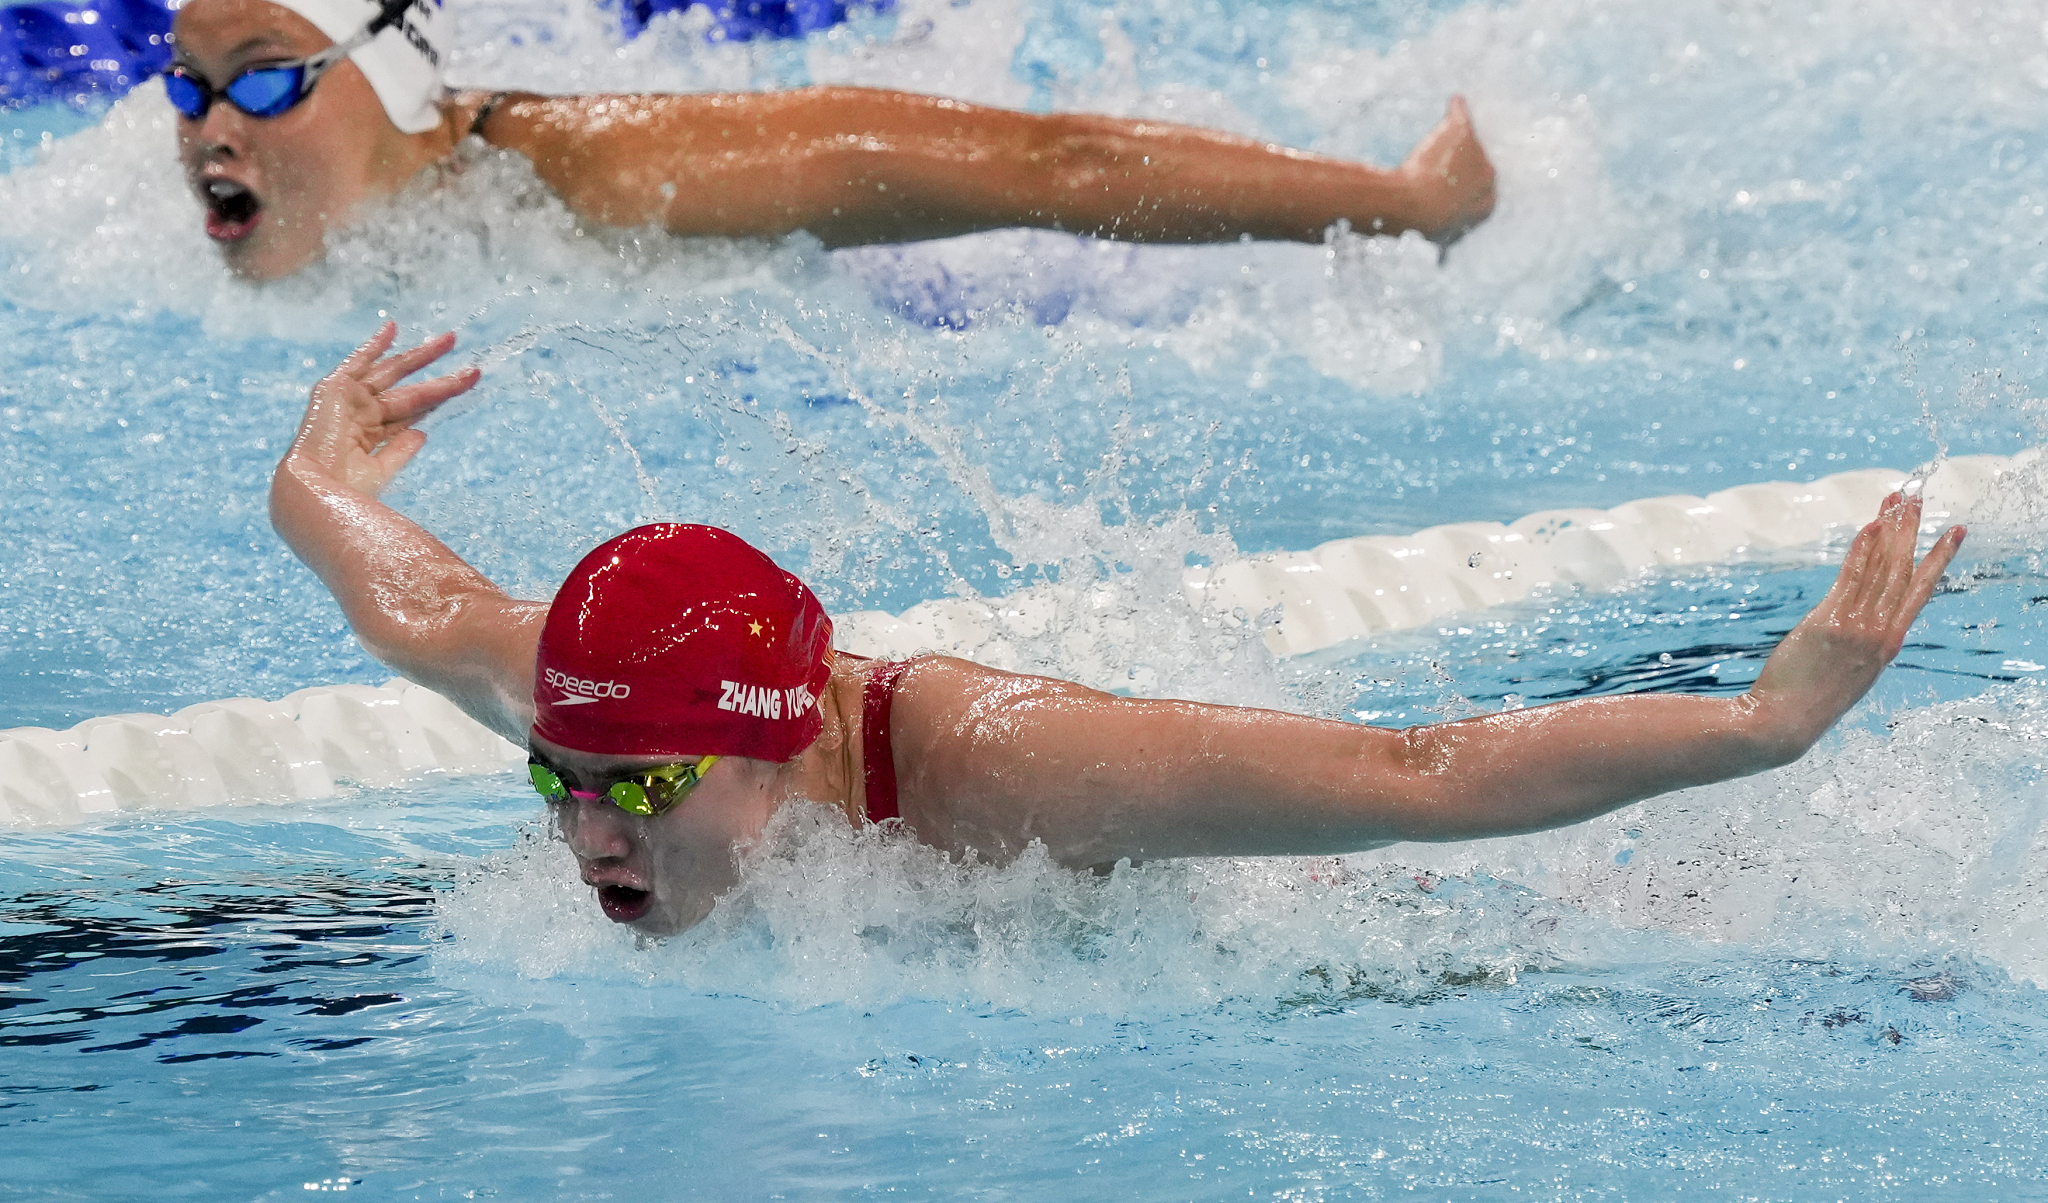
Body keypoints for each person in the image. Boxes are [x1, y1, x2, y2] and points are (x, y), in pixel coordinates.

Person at [271, 324, 1965, 935]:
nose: (580, 824)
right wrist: (312, 471)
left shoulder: (1005, 773)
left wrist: (1763, 723)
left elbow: (1416, 766)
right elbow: (410, 596)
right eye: (559, 778)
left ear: (775, 745)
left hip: (1299, 917)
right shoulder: (592, 703)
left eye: (632, 791)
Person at [172, 0, 1498, 282]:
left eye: (268, 81)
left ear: (395, 72)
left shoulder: (609, 176)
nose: (211, 130)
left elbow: (1049, 168)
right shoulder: (169, 219)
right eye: (189, 91)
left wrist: (1398, 200)